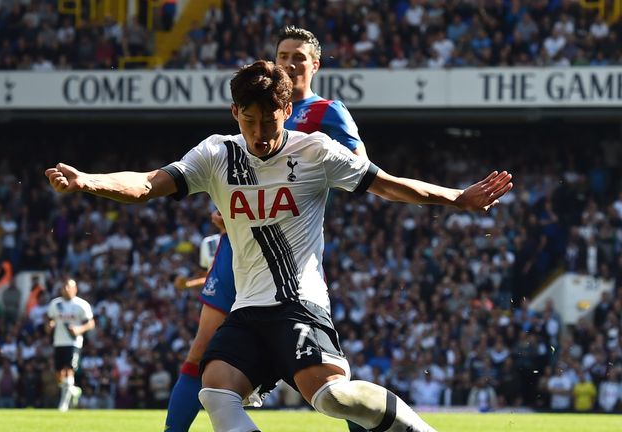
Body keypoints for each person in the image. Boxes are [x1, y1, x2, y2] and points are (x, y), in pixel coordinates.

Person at [45, 60, 512, 431]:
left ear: (286, 112)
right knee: (215, 389)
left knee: (332, 399)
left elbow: (386, 185)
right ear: (234, 114)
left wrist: (456, 197)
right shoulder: (216, 154)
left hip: (299, 306)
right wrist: (88, 181)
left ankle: (416, 429)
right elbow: (148, 184)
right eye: (248, 120)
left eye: (268, 121)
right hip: (248, 310)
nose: (259, 133)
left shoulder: (314, 151)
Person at [165, 25, 368, 432]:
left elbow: (358, 167)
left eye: (299, 57)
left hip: (291, 245)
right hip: (240, 243)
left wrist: (285, 200)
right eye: (283, 55)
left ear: (315, 64)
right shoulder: (256, 107)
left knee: (322, 376)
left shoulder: (328, 113)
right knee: (204, 348)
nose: (290, 63)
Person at [46, 277, 95, 412]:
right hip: (58, 341)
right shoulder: (55, 304)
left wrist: (79, 329)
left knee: (69, 370)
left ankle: (64, 405)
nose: (66, 289)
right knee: (59, 374)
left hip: (73, 342)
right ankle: (72, 390)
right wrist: (49, 326)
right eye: (64, 287)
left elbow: (90, 323)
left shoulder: (81, 304)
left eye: (69, 287)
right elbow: (50, 320)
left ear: (75, 289)